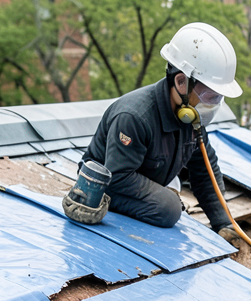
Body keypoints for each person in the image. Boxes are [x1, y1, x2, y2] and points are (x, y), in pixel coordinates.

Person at [67, 22, 241, 237]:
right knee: (168, 208)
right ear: (181, 82)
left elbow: (205, 172)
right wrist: (163, 198)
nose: (213, 104)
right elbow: (117, 176)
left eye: (218, 97)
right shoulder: (134, 117)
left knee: (170, 200)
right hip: (108, 186)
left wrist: (224, 223)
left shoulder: (190, 117)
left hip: (141, 183)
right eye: (210, 96)